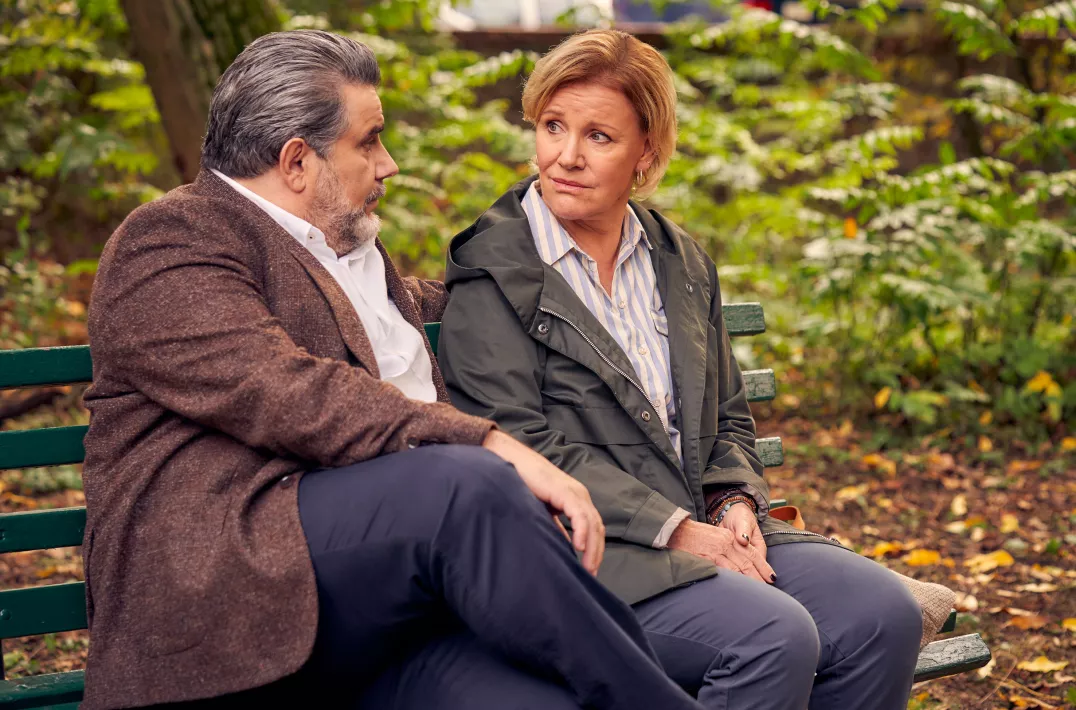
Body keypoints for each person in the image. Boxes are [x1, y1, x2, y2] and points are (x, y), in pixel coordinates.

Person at [81, 29, 705, 710]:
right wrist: (490, 443)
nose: (390, 164)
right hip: (242, 603)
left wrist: (588, 292)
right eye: (370, 141)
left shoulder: (348, 252)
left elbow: (468, 308)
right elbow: (285, 390)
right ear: (297, 161)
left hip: (393, 614)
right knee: (465, 483)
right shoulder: (173, 241)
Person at [439, 28, 926, 709]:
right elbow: (518, 444)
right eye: (552, 126)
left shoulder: (680, 262)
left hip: (702, 525)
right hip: (586, 551)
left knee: (883, 615)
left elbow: (726, 416)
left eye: (598, 136)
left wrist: (734, 501)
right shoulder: (495, 270)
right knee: (772, 636)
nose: (565, 156)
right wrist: (674, 528)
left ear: (646, 152)